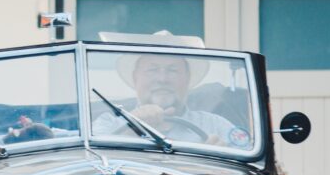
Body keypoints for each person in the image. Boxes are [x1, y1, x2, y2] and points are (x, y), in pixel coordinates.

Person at [92, 34, 242, 146]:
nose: (162, 79)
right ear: (135, 78)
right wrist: (131, 127)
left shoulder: (216, 126)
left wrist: (221, 156)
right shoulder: (108, 124)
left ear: (187, 79)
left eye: (173, 70)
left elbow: (252, 172)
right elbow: (93, 163)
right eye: (152, 70)